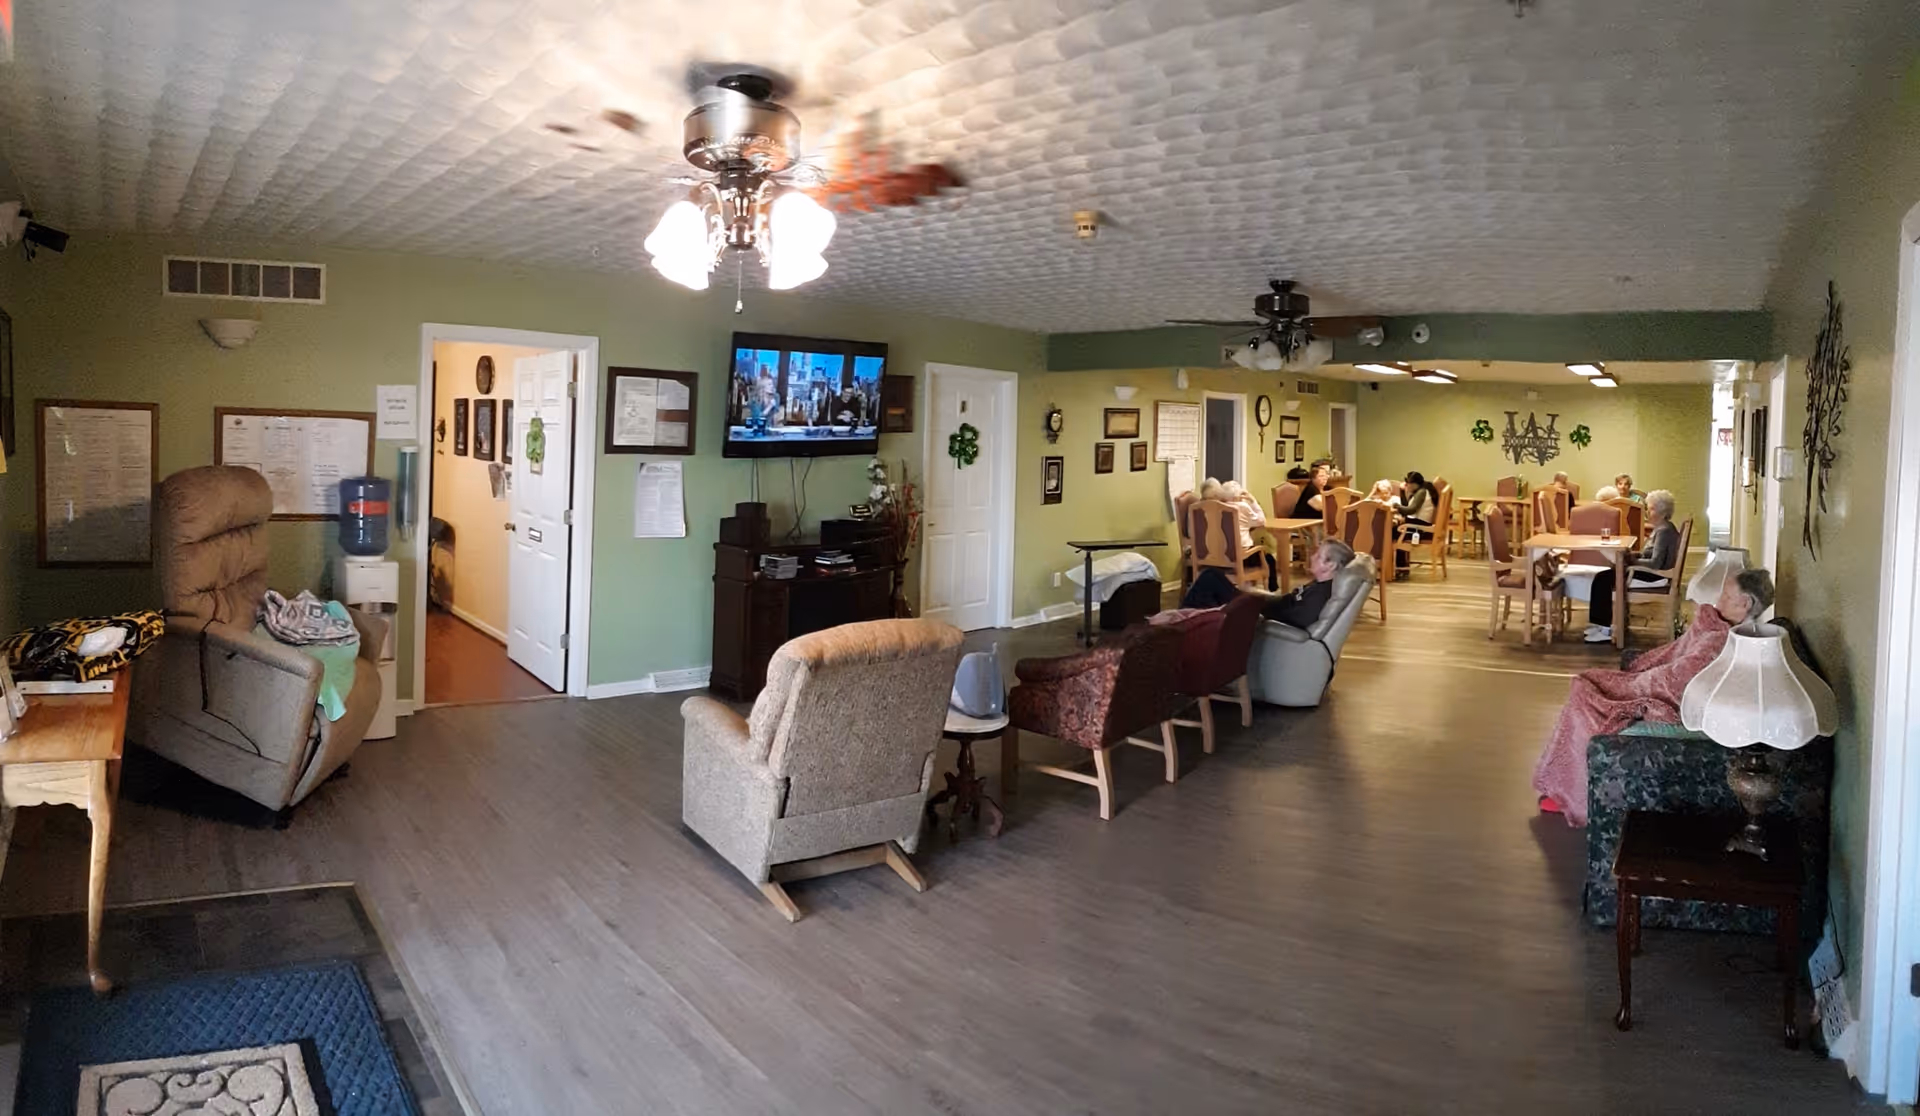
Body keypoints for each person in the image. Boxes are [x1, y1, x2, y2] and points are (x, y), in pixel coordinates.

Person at [1532, 568, 1774, 824]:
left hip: (1667, 699)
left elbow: (1678, 680)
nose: (1718, 600)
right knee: (1586, 683)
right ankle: (1562, 785)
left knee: (1585, 693)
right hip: (1654, 682)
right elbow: (1677, 657)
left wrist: (1634, 684)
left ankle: (1573, 796)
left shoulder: (1725, 641)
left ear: (1744, 604)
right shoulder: (1720, 627)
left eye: (1726, 595)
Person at [1583, 488, 1679, 643]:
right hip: (1650, 572)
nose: (1647, 513)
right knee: (1604, 575)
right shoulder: (1662, 528)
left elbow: (1655, 563)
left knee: (1603, 579)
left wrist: (1631, 562)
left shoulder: (1664, 531)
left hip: (1654, 576)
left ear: (1662, 512)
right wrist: (1633, 556)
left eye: (1651, 509)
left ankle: (1605, 630)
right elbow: (1649, 555)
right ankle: (1600, 625)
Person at [1201, 478, 1279, 591]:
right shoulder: (1242, 507)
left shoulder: (1209, 511)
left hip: (1215, 557)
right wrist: (1253, 501)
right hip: (1239, 558)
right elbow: (1261, 521)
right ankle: (1272, 591)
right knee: (1269, 558)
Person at [1261, 538, 1355, 628]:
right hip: (1277, 606)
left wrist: (1259, 610)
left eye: (1318, 556)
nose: (1312, 557)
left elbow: (1298, 619)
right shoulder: (1319, 583)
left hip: (1275, 621)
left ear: (1331, 565)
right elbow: (1290, 599)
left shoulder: (1319, 595)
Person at [1393, 470, 1439, 578]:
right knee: (1395, 529)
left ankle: (1400, 568)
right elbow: (1407, 506)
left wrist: (1396, 506)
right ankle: (1401, 567)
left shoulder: (1421, 493)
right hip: (1419, 525)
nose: (1407, 485)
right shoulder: (1421, 490)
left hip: (1420, 529)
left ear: (1414, 484)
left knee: (1393, 533)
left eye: (1408, 483)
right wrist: (1402, 492)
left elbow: (1410, 510)